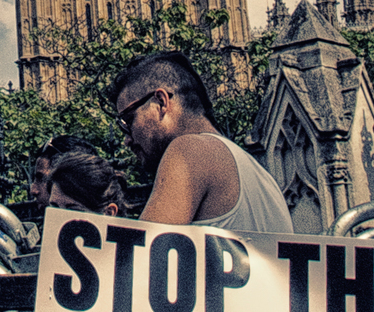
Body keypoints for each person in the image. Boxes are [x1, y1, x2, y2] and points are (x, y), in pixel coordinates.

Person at [109, 51, 291, 234]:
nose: (127, 140)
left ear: (161, 102)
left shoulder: (190, 152)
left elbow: (140, 256)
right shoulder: (263, 178)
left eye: (128, 120)